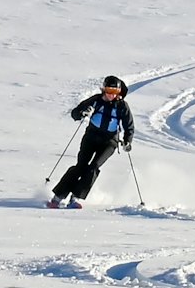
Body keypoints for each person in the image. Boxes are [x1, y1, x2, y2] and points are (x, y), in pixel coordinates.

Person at [49, 76, 134, 208]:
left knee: (93, 168)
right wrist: (83, 113)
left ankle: (75, 197)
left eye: (115, 92)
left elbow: (129, 126)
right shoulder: (95, 101)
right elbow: (75, 113)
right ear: (103, 89)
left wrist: (127, 141)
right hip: (91, 137)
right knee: (81, 166)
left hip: (109, 142)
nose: (111, 95)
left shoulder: (122, 106)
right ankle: (58, 196)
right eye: (108, 90)